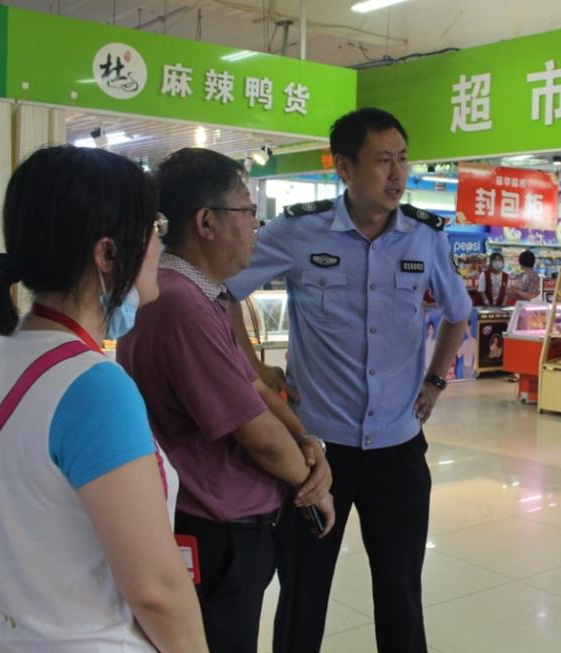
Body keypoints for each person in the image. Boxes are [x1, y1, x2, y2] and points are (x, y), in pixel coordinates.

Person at [225, 107, 472, 653]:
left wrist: (435, 381)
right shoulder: (297, 232)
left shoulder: (425, 238)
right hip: (316, 451)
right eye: (382, 160)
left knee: (401, 595)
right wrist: (253, 369)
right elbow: (223, 292)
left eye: (403, 159)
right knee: (303, 593)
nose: (397, 174)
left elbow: (459, 313)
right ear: (343, 167)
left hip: (398, 450)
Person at [0, 145, 207, 652]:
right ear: (108, 254)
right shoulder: (93, 387)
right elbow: (155, 588)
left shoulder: (8, 353)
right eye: (153, 228)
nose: (159, 245)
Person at [117, 148, 334, 653]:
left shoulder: (198, 294)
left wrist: (305, 437)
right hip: (214, 531)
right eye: (248, 210)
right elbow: (258, 437)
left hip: (223, 525)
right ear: (206, 222)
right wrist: (313, 484)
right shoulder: (183, 306)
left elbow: (253, 384)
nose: (257, 224)